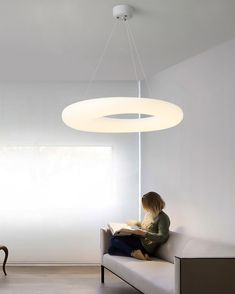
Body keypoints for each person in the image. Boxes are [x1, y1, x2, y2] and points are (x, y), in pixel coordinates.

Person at [108, 191, 170, 260]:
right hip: (139, 239)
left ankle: (134, 253)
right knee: (111, 250)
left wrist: (144, 233)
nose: (146, 208)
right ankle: (141, 255)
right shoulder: (149, 213)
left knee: (114, 239)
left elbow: (163, 237)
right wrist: (136, 223)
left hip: (146, 247)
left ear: (153, 204)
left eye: (147, 206)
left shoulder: (163, 218)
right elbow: (145, 226)